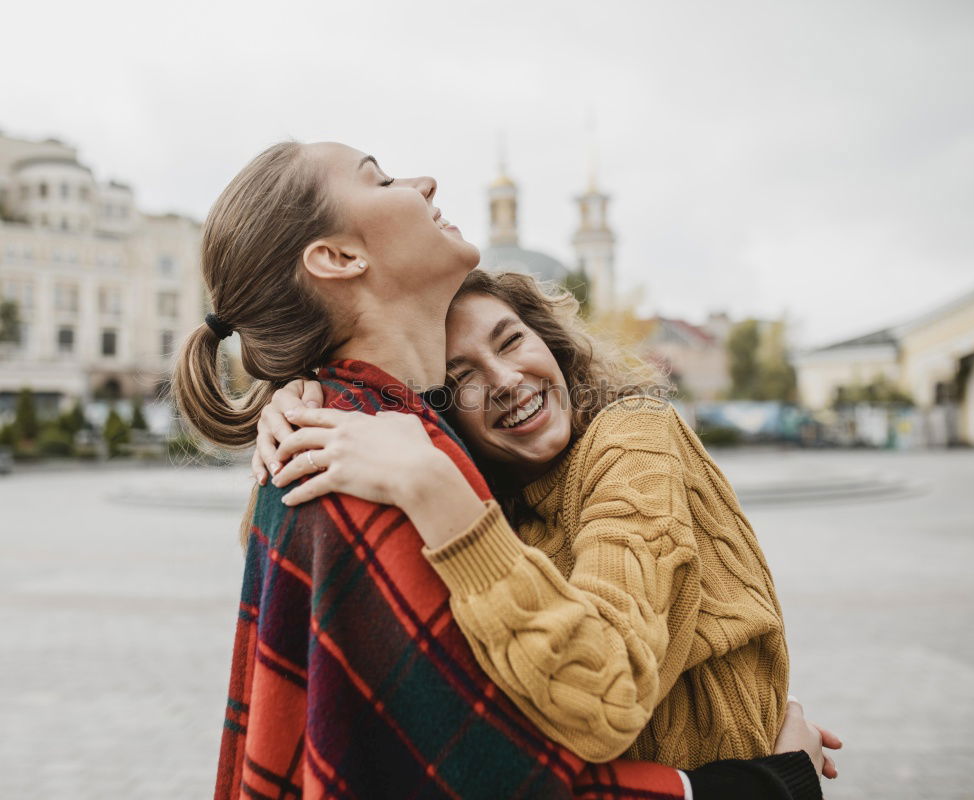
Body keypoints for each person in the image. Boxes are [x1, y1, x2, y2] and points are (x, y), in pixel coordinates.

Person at [173, 140, 837, 800]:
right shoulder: (377, 453)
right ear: (339, 257)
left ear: (547, 338)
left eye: (512, 339)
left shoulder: (607, 437)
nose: (426, 181)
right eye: (380, 179)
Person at [255, 269, 792, 770]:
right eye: (461, 375)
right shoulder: (503, 508)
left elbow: (606, 695)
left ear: (548, 341)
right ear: (442, 410)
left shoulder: (635, 435)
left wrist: (433, 487)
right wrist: (303, 405)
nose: (507, 380)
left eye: (511, 341)